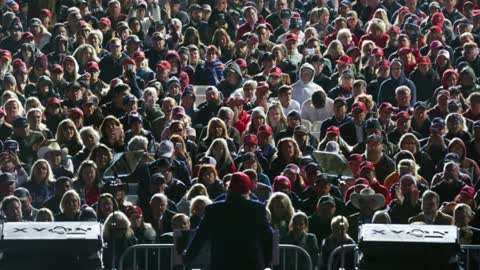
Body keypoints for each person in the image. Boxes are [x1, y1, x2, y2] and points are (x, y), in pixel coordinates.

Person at [184, 172, 273, 270]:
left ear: (229, 189)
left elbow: (200, 237)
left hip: (222, 264)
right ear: (248, 190)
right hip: (251, 264)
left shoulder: (214, 209)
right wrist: (267, 262)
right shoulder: (257, 209)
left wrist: (187, 258)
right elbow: (267, 236)